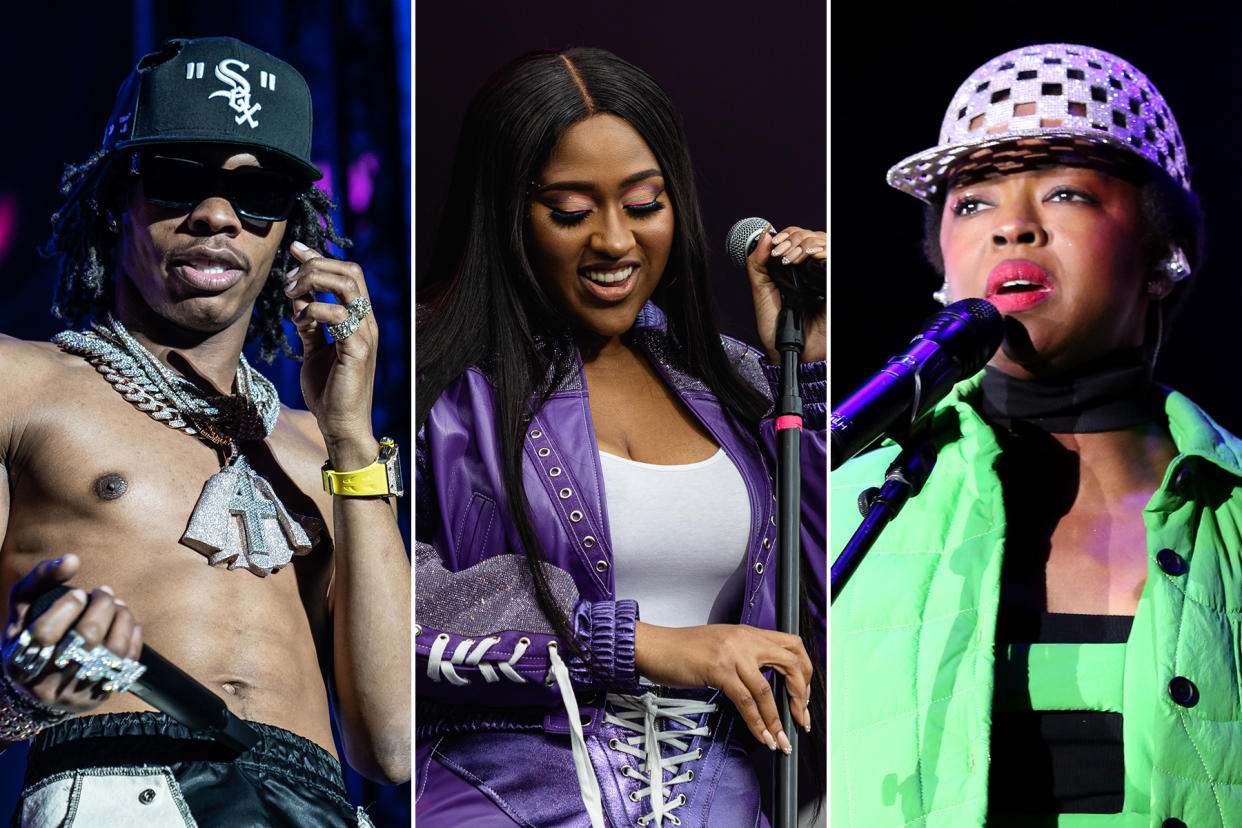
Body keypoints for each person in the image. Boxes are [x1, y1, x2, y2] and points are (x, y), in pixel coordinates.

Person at [0, 36, 410, 826]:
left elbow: (389, 745)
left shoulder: (323, 451)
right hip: (119, 783)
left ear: (293, 229)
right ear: (114, 198)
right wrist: (18, 699)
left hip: (319, 807)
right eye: (179, 179)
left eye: (259, 195)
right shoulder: (21, 385)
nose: (218, 215)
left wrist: (353, 438)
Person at [830, 43, 1241, 826]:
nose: (1013, 227)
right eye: (973, 203)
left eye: (1065, 194)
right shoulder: (843, 499)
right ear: (942, 266)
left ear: (1163, 256)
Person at [414, 47, 826, 827]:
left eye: (644, 204)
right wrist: (636, 644)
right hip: (505, 803)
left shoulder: (740, 383)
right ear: (504, 212)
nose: (614, 241)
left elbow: (828, 615)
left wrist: (804, 377)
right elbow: (383, 612)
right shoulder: (433, 384)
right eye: (570, 211)